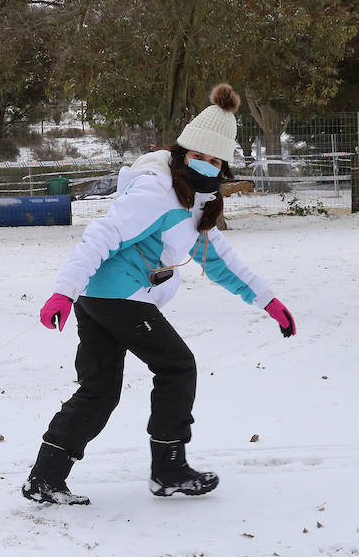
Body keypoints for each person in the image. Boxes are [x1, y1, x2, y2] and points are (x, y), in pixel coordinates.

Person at [24, 84, 297, 505]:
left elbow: (219, 260)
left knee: (99, 390)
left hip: (103, 299)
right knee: (176, 365)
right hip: (119, 296)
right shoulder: (156, 189)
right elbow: (103, 233)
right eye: (197, 156)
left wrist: (269, 302)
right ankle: (168, 469)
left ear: (222, 164)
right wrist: (63, 291)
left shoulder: (196, 203)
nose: (205, 165)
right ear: (181, 153)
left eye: (214, 160)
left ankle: (46, 477)